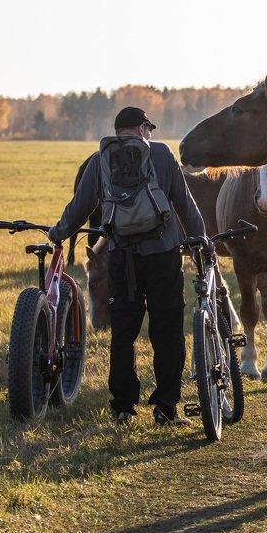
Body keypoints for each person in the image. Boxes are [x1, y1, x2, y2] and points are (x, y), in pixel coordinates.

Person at [48, 106, 206, 426]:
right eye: (148, 129)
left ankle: (123, 408)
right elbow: (183, 203)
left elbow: (81, 207)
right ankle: (165, 408)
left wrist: (59, 233)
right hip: (163, 255)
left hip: (122, 256)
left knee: (123, 332)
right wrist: (202, 238)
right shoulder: (161, 155)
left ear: (118, 132)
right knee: (167, 331)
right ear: (143, 129)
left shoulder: (100, 159)